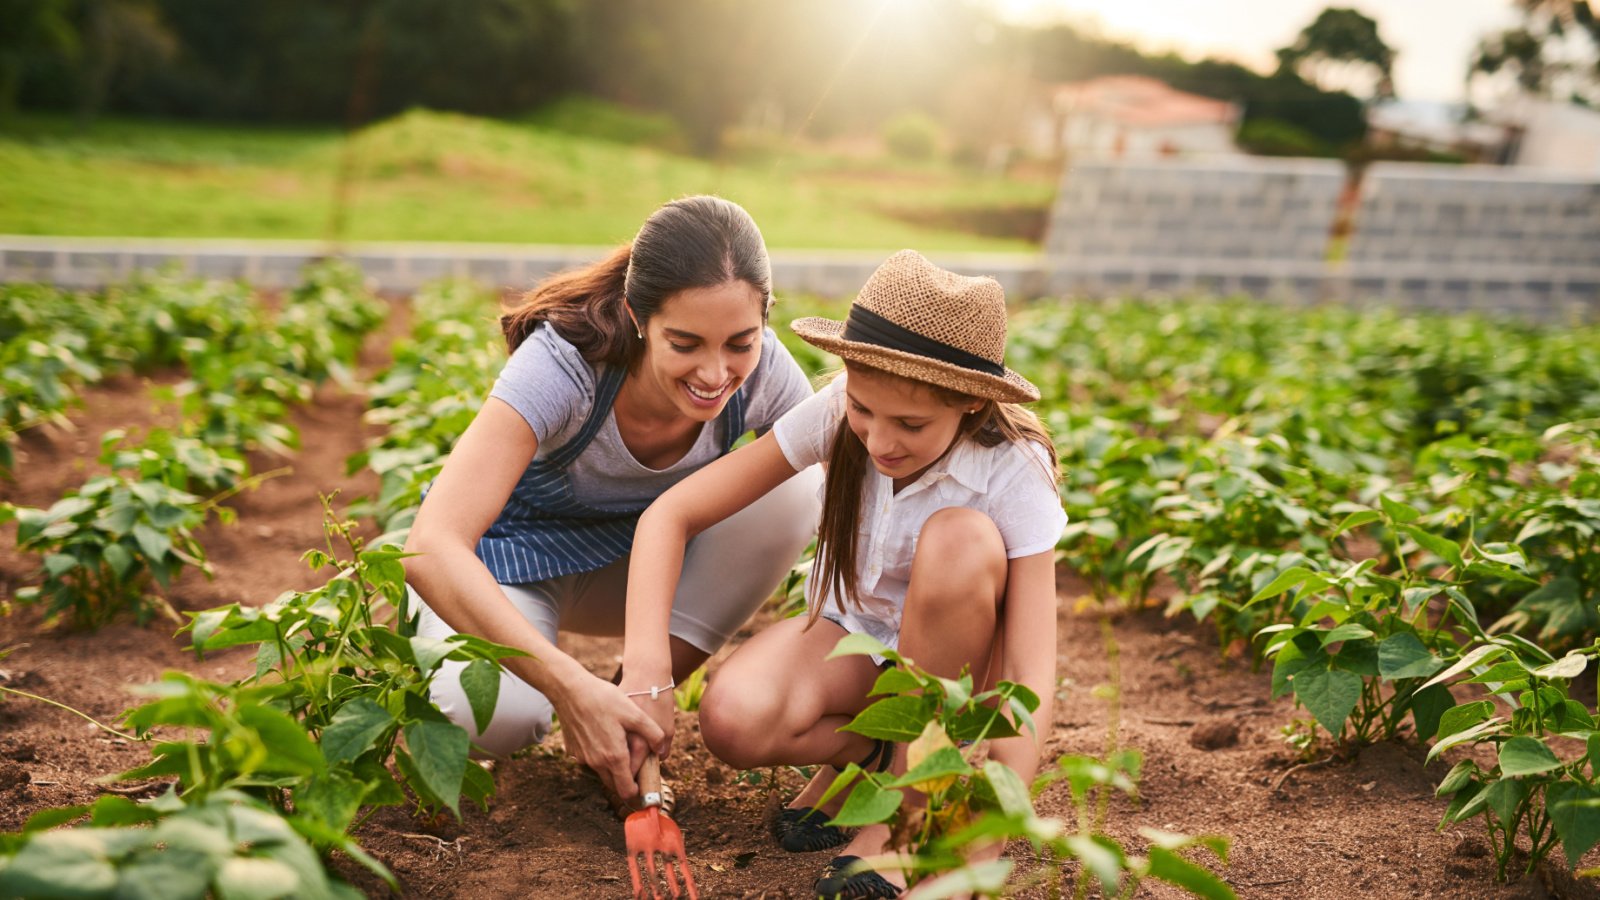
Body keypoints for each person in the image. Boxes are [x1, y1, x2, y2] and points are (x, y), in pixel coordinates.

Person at [623, 250, 1065, 897]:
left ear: (971, 403)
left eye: (910, 424)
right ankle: (875, 762)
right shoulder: (838, 412)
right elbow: (673, 512)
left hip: (954, 678)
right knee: (734, 717)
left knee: (958, 538)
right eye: (863, 410)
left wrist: (983, 846)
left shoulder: (1013, 469)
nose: (879, 440)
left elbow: (1031, 677)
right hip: (854, 641)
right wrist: (644, 669)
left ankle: (909, 816)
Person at [402, 195, 821, 803]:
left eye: (740, 342)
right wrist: (571, 688)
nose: (715, 373)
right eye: (684, 344)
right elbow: (431, 543)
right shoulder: (564, 366)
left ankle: (633, 714)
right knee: (491, 717)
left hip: (641, 574)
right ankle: (528, 675)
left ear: (764, 320)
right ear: (637, 317)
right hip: (515, 569)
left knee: (800, 481)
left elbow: (854, 498)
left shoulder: (765, 373)